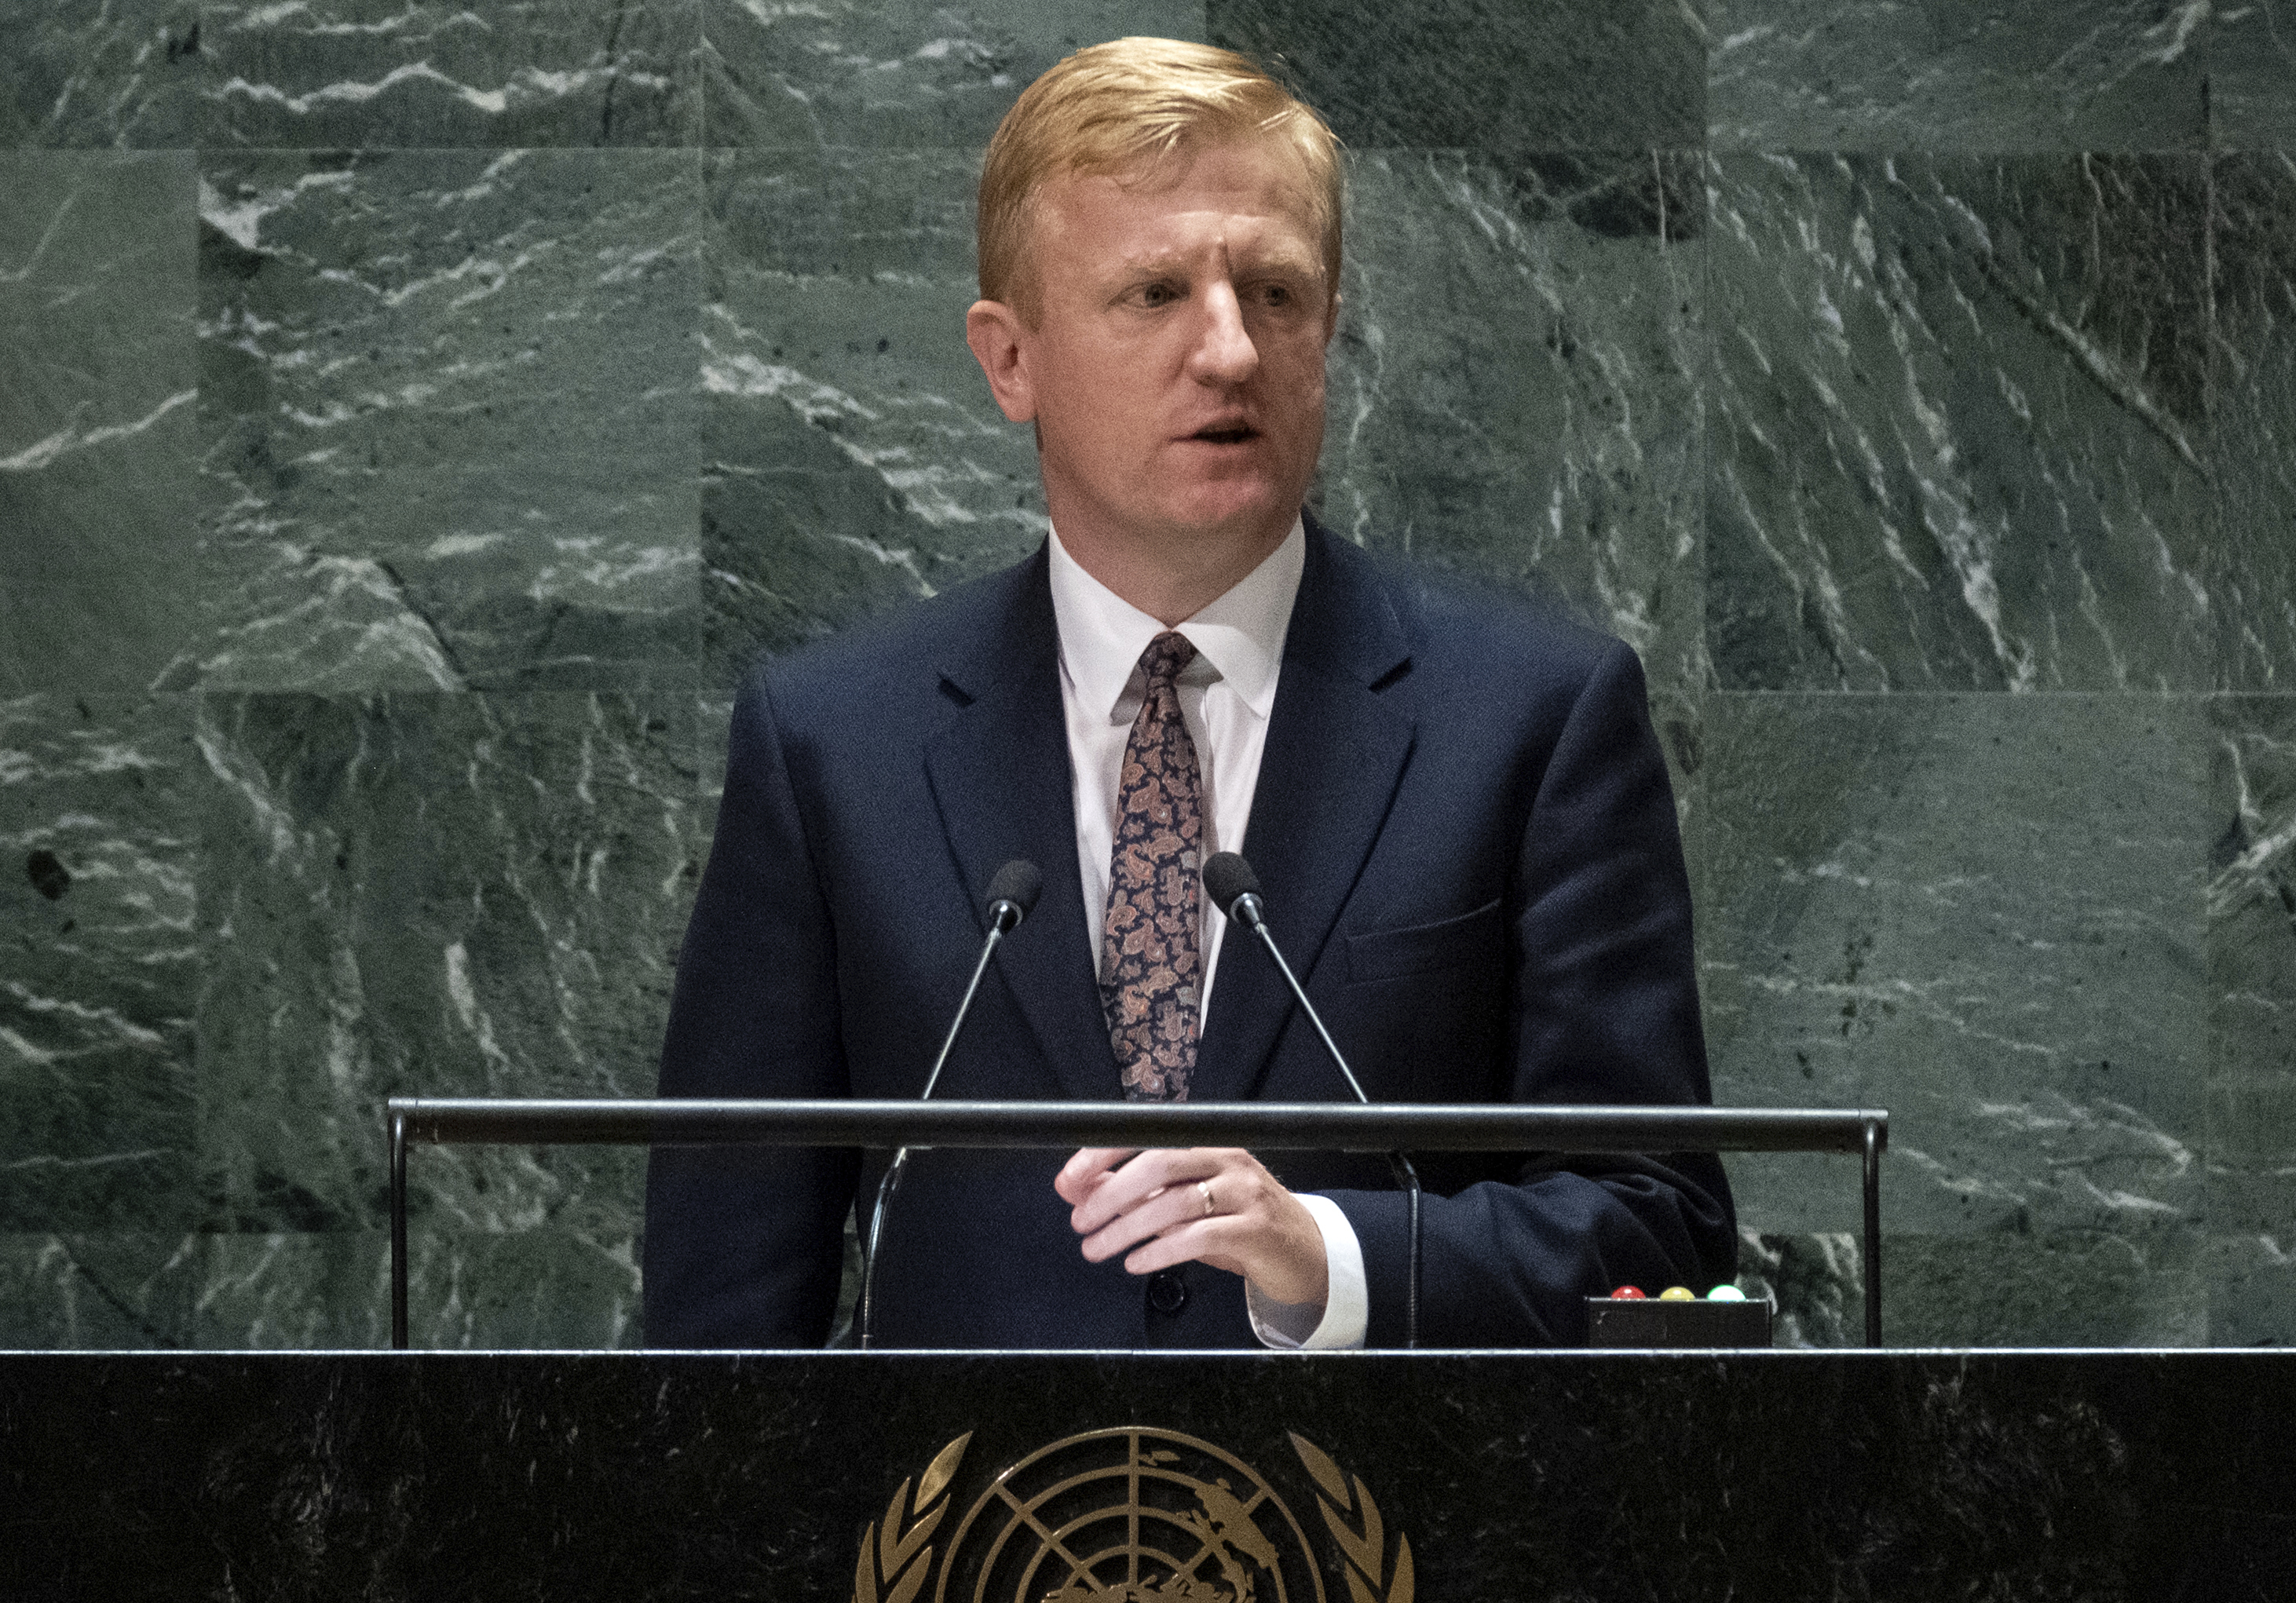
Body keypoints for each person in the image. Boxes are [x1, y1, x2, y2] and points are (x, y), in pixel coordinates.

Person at [641, 38, 1729, 1349]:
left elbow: (1656, 1231)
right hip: (962, 1546)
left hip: (1394, 1539)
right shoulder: (834, 744)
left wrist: (1326, 1254)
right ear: (1009, 361)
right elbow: (719, 1317)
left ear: (1328, 325)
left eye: (1274, 291)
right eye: (1155, 292)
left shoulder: (1537, 721)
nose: (1228, 350)